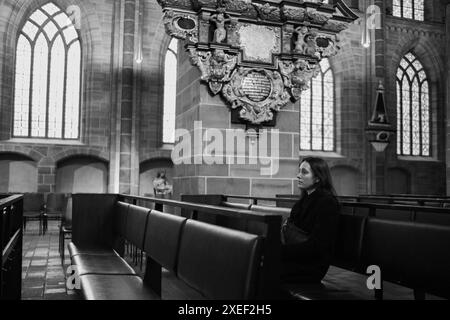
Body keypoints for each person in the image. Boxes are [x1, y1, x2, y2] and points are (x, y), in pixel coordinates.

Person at [280, 157, 340, 283]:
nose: (298, 175)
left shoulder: (327, 203)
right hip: (296, 258)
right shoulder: (301, 202)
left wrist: (278, 251)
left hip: (312, 265)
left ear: (318, 178)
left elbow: (317, 246)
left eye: (304, 172)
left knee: (265, 269)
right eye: (299, 171)